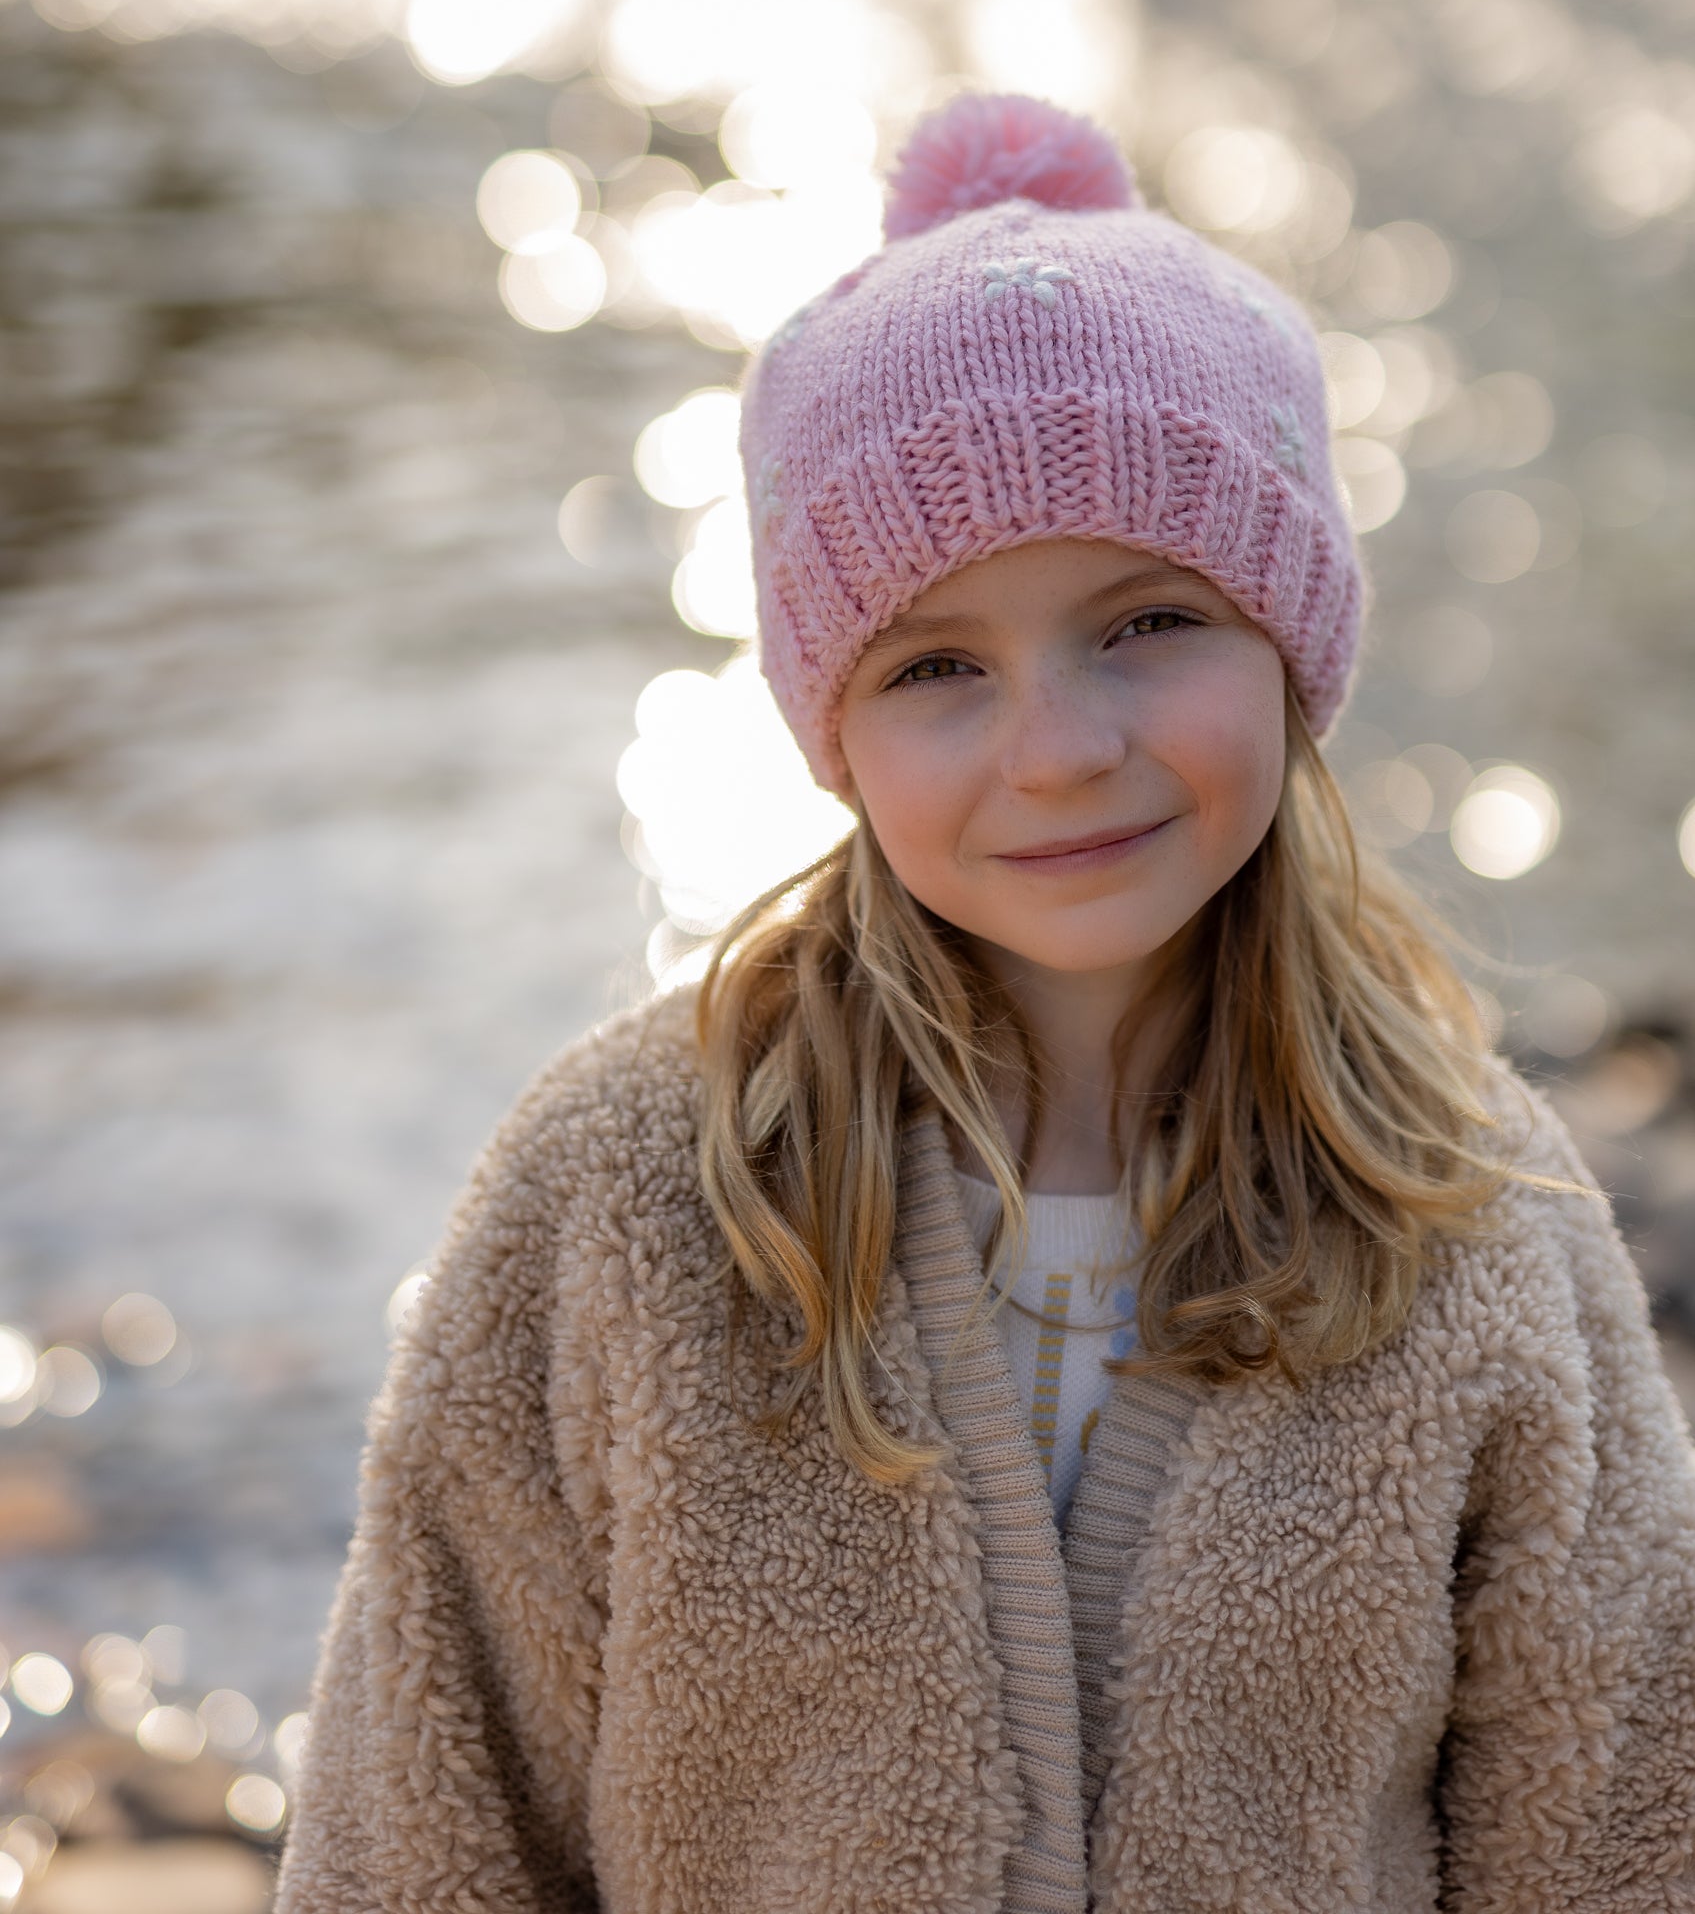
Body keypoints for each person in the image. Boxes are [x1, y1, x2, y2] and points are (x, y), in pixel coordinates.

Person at [271, 92, 1695, 1914]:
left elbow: (1625, 1823)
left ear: (1295, 641)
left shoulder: (1477, 1222)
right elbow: (424, 1828)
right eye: (940, 665)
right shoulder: (621, 1199)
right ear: (832, 734)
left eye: (1148, 622)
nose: (1060, 750)